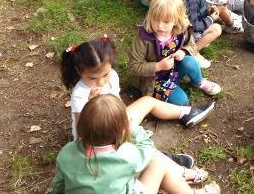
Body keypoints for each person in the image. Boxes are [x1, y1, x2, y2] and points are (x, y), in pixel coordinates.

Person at [60, 36, 215, 179]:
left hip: (116, 121)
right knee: (138, 149)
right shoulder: (80, 93)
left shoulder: (112, 76)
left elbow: (118, 102)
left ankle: (187, 113)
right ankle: (173, 166)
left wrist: (124, 119)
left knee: (147, 101)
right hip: (96, 139)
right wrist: (91, 105)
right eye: (93, 78)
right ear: (79, 71)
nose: (101, 82)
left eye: (104, 75)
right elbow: (83, 130)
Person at [53, 95, 221, 194]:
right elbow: (147, 148)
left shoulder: (66, 153)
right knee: (157, 162)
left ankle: (184, 175)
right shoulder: (126, 156)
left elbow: (59, 185)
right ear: (122, 129)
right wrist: (133, 130)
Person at [130, 0, 221, 106]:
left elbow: (192, 45)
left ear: (176, 20)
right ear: (150, 15)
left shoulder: (182, 30)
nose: (160, 26)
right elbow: (134, 66)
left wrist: (183, 52)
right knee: (182, 101)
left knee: (190, 62)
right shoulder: (143, 38)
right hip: (153, 80)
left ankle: (199, 82)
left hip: (174, 70)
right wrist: (158, 66)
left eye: (166, 22)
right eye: (155, 19)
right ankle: (168, 88)